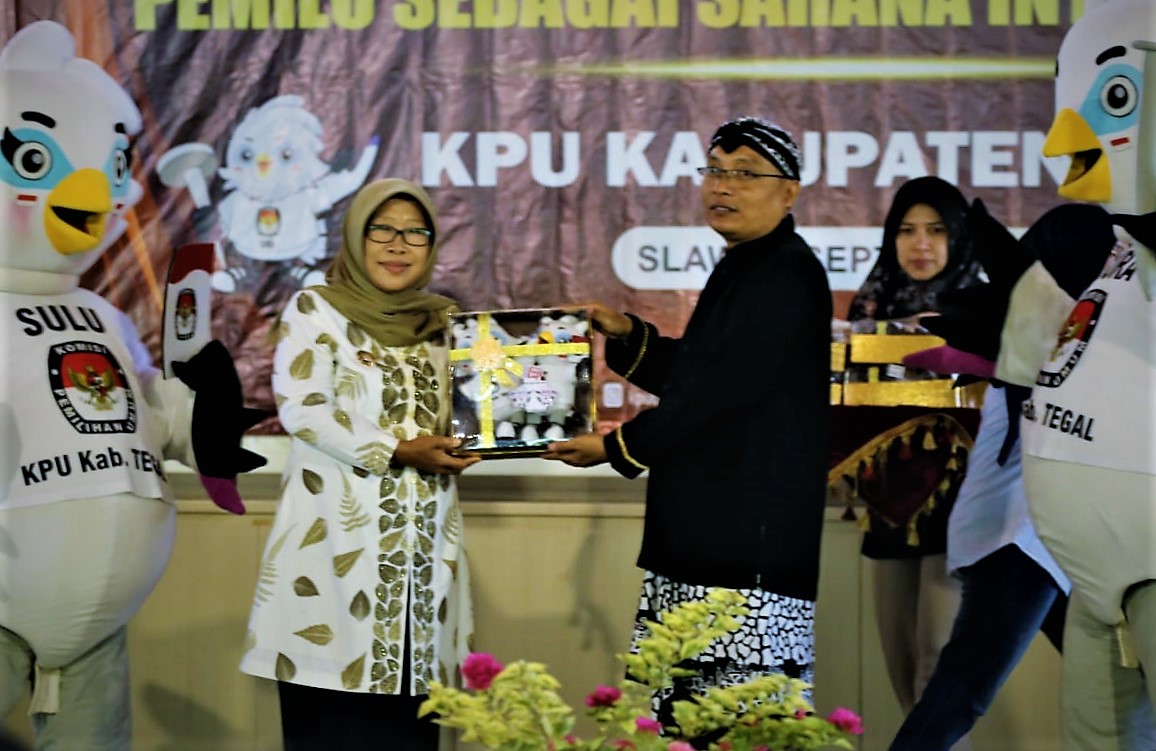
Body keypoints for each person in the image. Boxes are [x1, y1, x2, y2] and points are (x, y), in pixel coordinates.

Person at [544, 116, 832, 726]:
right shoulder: (748, 264)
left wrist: (615, 446)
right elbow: (704, 373)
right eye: (715, 171)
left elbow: (719, 393)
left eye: (745, 174)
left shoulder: (785, 273)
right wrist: (627, 332)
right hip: (710, 535)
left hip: (745, 549)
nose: (722, 186)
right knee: (684, 720)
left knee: (737, 725)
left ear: (789, 192)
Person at [239, 178, 480, 751]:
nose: (398, 245)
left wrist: (501, 431)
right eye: (383, 230)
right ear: (355, 236)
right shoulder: (316, 309)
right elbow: (304, 408)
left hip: (421, 567)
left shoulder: (445, 324)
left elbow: (475, 412)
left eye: (416, 233)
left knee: (409, 732)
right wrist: (397, 450)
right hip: (333, 561)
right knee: (330, 729)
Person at [886, 203, 1117, 750]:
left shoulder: (1050, 341)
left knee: (1118, 685)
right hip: (1017, 541)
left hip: (1041, 538)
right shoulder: (1052, 345)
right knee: (960, 692)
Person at [845, 176, 983, 749]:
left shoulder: (983, 307)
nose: (920, 244)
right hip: (888, 504)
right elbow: (852, 408)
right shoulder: (869, 305)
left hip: (962, 502)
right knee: (901, 668)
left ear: (958, 237)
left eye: (935, 230)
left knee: (937, 667)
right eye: (906, 230)